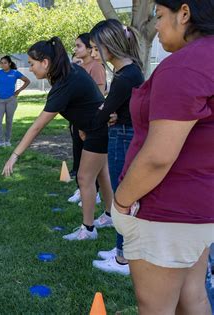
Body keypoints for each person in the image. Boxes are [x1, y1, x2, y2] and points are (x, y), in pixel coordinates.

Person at [111, 1, 214, 313]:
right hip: (197, 205)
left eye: (159, 16)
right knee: (192, 296)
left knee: (157, 306)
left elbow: (158, 156)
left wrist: (120, 203)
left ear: (184, 13)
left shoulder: (185, 65)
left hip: (166, 210)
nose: (155, 27)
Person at [2, 37, 113, 241]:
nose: (30, 68)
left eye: (32, 64)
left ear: (45, 62)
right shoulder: (68, 72)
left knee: (84, 177)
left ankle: (88, 229)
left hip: (98, 129)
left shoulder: (64, 83)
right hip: (94, 128)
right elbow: (85, 101)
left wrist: (14, 155)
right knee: (101, 173)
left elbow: (37, 127)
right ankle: (110, 215)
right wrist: (81, 126)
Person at [84, 19, 145, 276]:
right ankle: (121, 248)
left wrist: (105, 113)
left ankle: (123, 259)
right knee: (122, 195)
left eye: (97, 47)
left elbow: (103, 113)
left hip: (123, 135)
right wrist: (109, 113)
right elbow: (113, 110)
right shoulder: (127, 72)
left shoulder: (125, 76)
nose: (95, 52)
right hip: (121, 130)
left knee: (122, 197)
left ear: (109, 45)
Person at [68, 33, 106, 205]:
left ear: (90, 49)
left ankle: (95, 191)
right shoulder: (77, 67)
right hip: (77, 119)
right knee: (78, 153)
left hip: (91, 121)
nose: (75, 49)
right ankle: (81, 188)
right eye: (75, 46)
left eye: (79, 46)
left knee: (91, 156)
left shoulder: (96, 67)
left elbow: (99, 94)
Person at [0, 55, 30, 148]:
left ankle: (7, 141)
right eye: (1, 63)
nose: (3, 64)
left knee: (9, 121)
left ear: (9, 63)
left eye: (5, 63)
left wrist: (18, 91)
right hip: (0, 100)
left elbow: (27, 81)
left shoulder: (15, 73)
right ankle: (0, 141)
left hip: (11, 100)